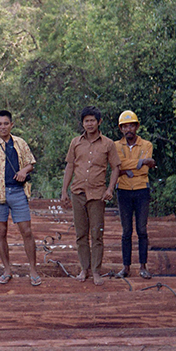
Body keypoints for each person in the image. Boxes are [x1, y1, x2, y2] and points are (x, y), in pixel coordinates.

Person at [60, 106, 121, 286]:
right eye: (86, 121)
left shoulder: (108, 144)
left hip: (97, 195)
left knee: (97, 234)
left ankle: (96, 271)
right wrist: (64, 191)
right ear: (83, 123)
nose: (90, 124)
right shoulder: (75, 143)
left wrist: (110, 189)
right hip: (78, 192)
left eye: (93, 120)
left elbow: (116, 167)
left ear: (99, 122)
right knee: (81, 234)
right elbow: (70, 166)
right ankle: (83, 269)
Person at [0, 110, 41, 286]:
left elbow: (31, 163)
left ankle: (33, 270)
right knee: (1, 232)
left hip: (18, 192)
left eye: (6, 123)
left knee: (27, 232)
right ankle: (7, 269)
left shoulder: (20, 143)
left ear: (11, 125)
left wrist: (24, 171)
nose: (3, 127)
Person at [113, 110, 155, 279]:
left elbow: (143, 169)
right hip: (123, 190)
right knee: (126, 231)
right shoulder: (116, 146)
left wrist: (126, 169)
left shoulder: (147, 145)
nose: (128, 129)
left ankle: (143, 266)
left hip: (141, 190)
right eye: (125, 126)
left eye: (131, 125)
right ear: (121, 129)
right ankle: (126, 267)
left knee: (142, 229)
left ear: (136, 126)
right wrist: (140, 162)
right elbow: (117, 165)